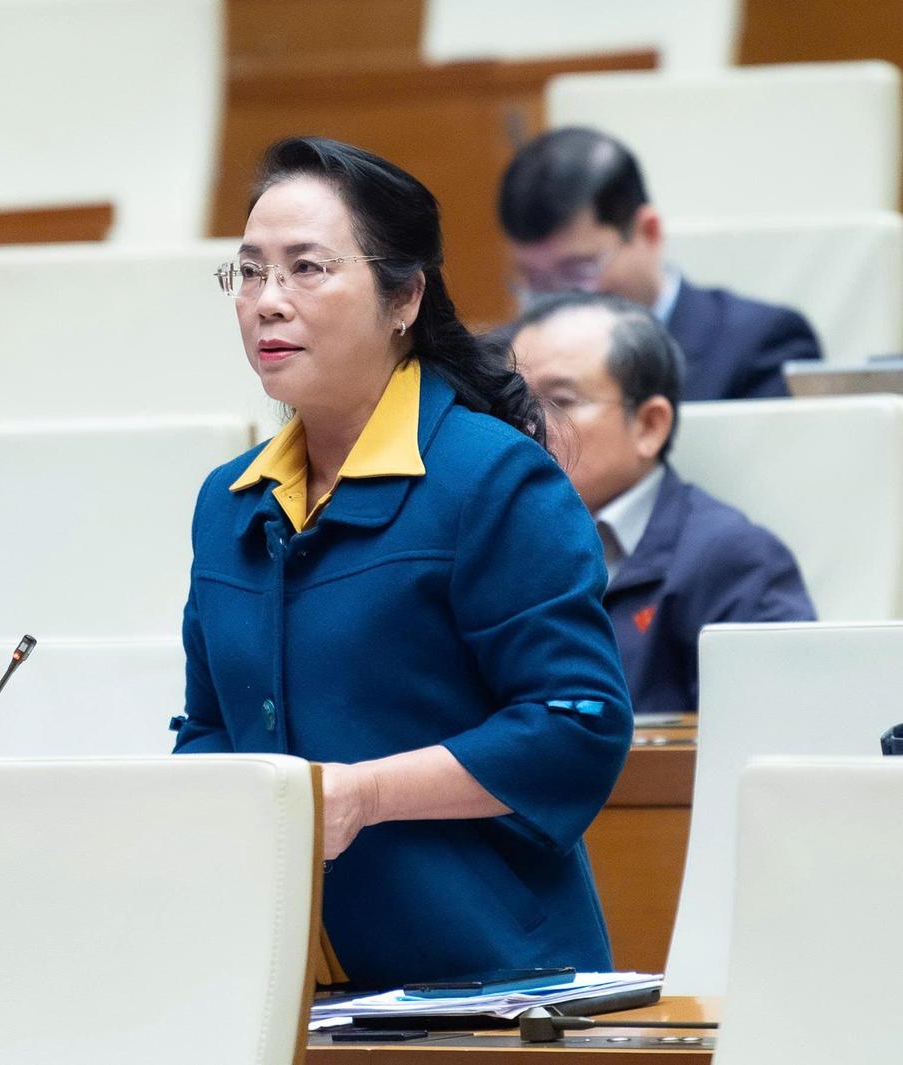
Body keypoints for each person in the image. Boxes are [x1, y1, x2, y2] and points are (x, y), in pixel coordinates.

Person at [174, 136, 633, 990]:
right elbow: (209, 727)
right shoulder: (227, 502)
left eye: (306, 269)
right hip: (281, 984)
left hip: (488, 986)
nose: (267, 301)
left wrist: (366, 794)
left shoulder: (491, 478)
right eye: (249, 271)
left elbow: (576, 723)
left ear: (405, 297)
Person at [507, 292, 816, 716]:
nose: (527, 424)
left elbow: (777, 728)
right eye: (515, 401)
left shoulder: (733, 559)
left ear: (650, 425)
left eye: (560, 401)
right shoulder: (490, 540)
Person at [497, 126, 819, 401]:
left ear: (648, 232)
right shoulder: (500, 362)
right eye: (534, 278)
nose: (554, 300)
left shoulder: (760, 346)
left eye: (577, 271)